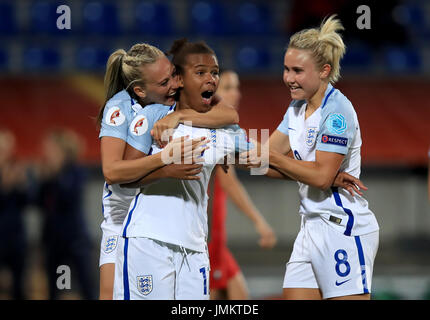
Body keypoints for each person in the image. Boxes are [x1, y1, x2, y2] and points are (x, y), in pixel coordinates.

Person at [113, 39, 253, 300]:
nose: (211, 79)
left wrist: (314, 172)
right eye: (200, 72)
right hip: (149, 242)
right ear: (178, 78)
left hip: (196, 249)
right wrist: (166, 169)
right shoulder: (152, 117)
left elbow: (263, 159)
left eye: (214, 73)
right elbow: (124, 178)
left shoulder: (217, 124)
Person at [260, 15, 379, 300]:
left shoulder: (336, 112)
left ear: (325, 71)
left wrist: (316, 172)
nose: (288, 78)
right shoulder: (296, 109)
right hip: (310, 226)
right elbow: (262, 164)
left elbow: (318, 176)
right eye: (286, 69)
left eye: (298, 70)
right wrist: (311, 171)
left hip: (342, 227)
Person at [208, 71, 276, 300]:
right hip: (205, 236)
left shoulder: (227, 128)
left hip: (216, 237)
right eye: (227, 87)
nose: (235, 93)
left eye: (236, 87)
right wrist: (259, 222)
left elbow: (260, 156)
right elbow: (230, 183)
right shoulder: (212, 129)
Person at [37, 128, 96, 299]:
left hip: (75, 238)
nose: (47, 153)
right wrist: (44, 179)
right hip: (53, 239)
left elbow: (68, 197)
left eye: (51, 149)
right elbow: (38, 202)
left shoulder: (76, 171)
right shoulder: (46, 173)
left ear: (62, 150)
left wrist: (55, 175)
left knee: (86, 286)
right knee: (55, 287)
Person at [0, 129, 29, 300]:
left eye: (7, 149)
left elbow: (28, 202)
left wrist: (21, 185)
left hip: (15, 236)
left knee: (18, 284)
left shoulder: (18, 170)